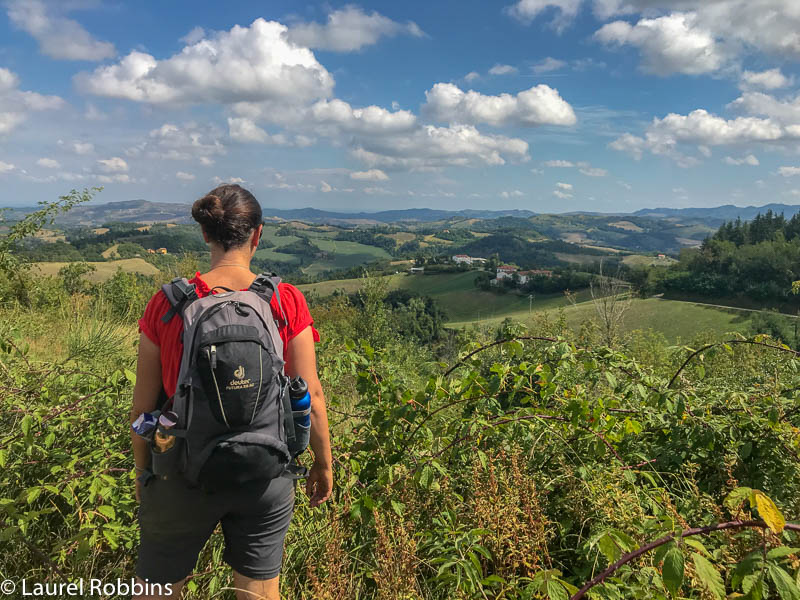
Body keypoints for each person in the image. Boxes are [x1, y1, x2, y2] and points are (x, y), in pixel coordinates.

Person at [130, 184, 333, 600]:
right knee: (257, 592)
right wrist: (323, 463)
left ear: (205, 234)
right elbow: (310, 393)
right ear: (258, 235)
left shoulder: (166, 303)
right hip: (264, 470)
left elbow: (143, 406)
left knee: (155, 591)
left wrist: (145, 472)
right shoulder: (285, 299)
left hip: (181, 467)